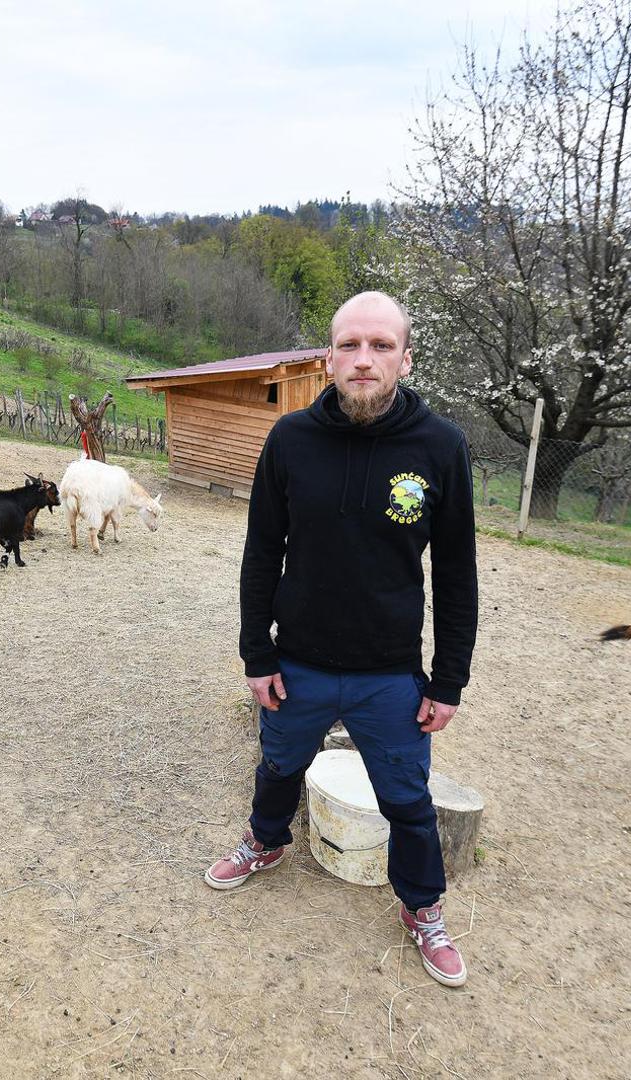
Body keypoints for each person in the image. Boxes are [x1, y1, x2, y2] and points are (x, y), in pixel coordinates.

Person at [203, 291, 479, 988]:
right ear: (328, 358)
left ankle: (422, 909)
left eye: (381, 346)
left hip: (390, 673)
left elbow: (455, 573)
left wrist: (448, 680)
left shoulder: (440, 447)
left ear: (405, 358)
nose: (364, 359)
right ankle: (266, 842)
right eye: (350, 345)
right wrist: (255, 654)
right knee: (278, 766)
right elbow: (262, 551)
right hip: (296, 662)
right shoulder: (290, 440)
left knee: (408, 800)